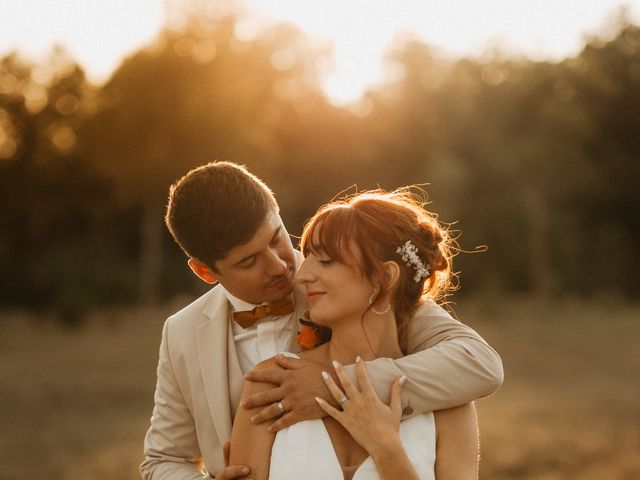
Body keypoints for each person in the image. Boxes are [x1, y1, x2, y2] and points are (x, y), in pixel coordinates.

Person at [140, 161, 503, 480]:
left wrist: (337, 388)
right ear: (205, 271)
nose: (286, 268)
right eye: (249, 262)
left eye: (278, 238)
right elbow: (163, 459)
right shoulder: (182, 333)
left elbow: (478, 362)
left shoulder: (361, 288)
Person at [230, 189, 480, 479]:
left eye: (325, 260)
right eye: (307, 257)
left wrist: (386, 449)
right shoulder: (273, 384)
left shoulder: (450, 404)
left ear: (383, 278)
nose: (301, 275)